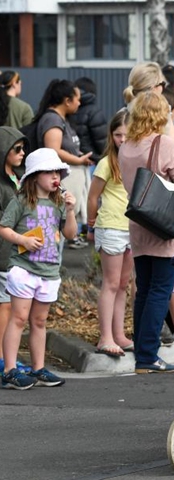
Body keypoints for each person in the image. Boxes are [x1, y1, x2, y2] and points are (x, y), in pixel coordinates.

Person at [119, 91, 174, 374]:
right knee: (161, 289)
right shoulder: (165, 144)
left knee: (145, 289)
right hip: (163, 223)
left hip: (138, 222)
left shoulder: (126, 146)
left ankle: (142, 354)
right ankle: (148, 355)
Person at [0, 148, 77, 389]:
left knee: (40, 321)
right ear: (35, 176)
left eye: (57, 172)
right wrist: (22, 240)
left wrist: (72, 210)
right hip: (23, 268)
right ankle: (10, 370)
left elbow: (70, 234)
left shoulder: (59, 202)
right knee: (19, 317)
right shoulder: (21, 200)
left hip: (49, 270)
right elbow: (4, 227)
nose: (56, 177)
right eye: (49, 173)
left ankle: (39, 368)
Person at [87, 111, 134, 357]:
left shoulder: (136, 160)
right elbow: (93, 196)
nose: (123, 139)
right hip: (111, 226)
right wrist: (91, 224)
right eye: (118, 135)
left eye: (127, 134)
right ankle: (105, 336)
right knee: (111, 283)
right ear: (111, 136)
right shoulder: (107, 163)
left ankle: (119, 334)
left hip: (131, 227)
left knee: (124, 284)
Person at [35, 79, 93, 249]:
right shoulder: (52, 119)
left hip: (67, 180)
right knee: (56, 230)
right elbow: (54, 150)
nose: (79, 102)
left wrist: (78, 156)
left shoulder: (60, 119)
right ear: (67, 101)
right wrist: (78, 160)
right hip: (61, 182)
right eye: (77, 99)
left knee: (61, 230)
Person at [0, 127, 31, 375]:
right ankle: (2, 360)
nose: (22, 153)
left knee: (11, 307)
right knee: (5, 307)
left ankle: (7, 358)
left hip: (16, 253)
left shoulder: (18, 177)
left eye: (23, 149)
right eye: (16, 149)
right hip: (3, 253)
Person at [72, 77, 108, 164]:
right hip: (92, 161)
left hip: (72, 160)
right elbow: (102, 143)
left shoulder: (68, 109)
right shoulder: (94, 112)